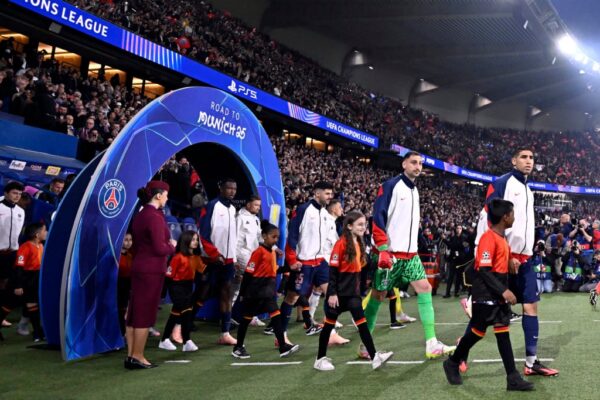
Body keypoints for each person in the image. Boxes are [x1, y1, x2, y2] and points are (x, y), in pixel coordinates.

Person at [471, 147, 558, 376]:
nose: (528, 161)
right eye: (523, 157)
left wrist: (533, 244)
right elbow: (488, 220)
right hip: (504, 260)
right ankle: (460, 354)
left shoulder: (528, 190)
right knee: (487, 314)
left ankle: (531, 363)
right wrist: (506, 255)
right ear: (513, 161)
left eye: (531, 158)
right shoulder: (501, 183)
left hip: (525, 260)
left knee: (530, 307)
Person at [362, 151, 455, 359]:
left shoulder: (415, 190)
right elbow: (377, 217)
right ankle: (364, 346)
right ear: (404, 164)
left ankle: (431, 343)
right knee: (378, 296)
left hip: (410, 255)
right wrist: (382, 248)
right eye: (413, 162)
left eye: (420, 163)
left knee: (425, 288)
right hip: (390, 254)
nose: (418, 166)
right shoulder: (390, 186)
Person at [443, 199, 534, 391]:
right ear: (505, 217)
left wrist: (511, 263)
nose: (514, 217)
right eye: (512, 214)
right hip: (485, 293)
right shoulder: (488, 238)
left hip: (496, 292)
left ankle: (512, 378)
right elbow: (484, 271)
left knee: (502, 333)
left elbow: (500, 262)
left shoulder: (502, 238)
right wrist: (504, 291)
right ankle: (452, 362)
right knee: (477, 332)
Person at [314, 212, 393, 371]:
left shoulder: (359, 243)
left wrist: (383, 262)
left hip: (353, 295)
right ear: (349, 226)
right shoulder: (340, 244)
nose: (363, 227)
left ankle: (374, 357)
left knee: (362, 325)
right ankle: (320, 359)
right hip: (338, 295)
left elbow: (365, 265)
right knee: (328, 326)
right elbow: (333, 271)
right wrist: (332, 293)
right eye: (360, 224)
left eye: (364, 224)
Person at [124, 180, 176, 370]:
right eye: (166, 195)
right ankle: (138, 356)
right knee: (144, 314)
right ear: (158, 195)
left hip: (140, 266)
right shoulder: (154, 216)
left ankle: (132, 355)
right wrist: (172, 246)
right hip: (151, 270)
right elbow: (160, 247)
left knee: (134, 313)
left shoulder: (141, 214)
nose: (167, 198)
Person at [232, 222, 300, 359]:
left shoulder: (272, 252)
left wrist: (290, 268)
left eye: (277, 237)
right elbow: (249, 273)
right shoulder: (258, 252)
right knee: (246, 320)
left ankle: (282, 346)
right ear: (264, 236)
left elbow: (274, 270)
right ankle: (238, 347)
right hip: (255, 292)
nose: (276, 240)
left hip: (267, 292)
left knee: (276, 316)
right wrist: (242, 294)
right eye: (273, 237)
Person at [281, 182, 335, 338]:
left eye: (331, 194)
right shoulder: (303, 210)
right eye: (327, 193)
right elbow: (292, 235)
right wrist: (292, 260)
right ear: (317, 193)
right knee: (292, 297)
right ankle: (281, 335)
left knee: (332, 294)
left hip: (321, 262)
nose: (330, 197)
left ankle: (331, 333)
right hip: (304, 263)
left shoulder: (325, 214)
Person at [199, 178, 238, 345]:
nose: (232, 191)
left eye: (234, 189)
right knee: (202, 294)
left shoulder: (233, 209)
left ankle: (225, 332)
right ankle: (179, 326)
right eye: (229, 188)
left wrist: (234, 257)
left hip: (228, 261)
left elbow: (233, 237)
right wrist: (214, 254)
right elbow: (203, 234)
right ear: (221, 188)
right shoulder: (212, 206)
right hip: (212, 259)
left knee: (226, 293)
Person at [159, 230, 205, 352]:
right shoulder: (178, 257)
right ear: (186, 240)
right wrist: (164, 292)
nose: (196, 242)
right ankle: (187, 341)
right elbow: (168, 276)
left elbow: (202, 271)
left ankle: (164, 339)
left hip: (188, 287)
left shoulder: (196, 257)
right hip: (176, 287)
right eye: (193, 239)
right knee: (187, 311)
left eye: (197, 239)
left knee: (175, 313)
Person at [0, 222, 47, 342]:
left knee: (33, 305)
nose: (46, 232)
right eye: (44, 230)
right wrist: (18, 285)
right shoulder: (25, 247)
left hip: (33, 280)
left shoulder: (41, 246)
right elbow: (19, 268)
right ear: (37, 235)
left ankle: (37, 332)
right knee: (8, 305)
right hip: (21, 280)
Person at [233, 195, 265, 326]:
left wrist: (273, 245)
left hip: (253, 256)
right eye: (256, 205)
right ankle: (232, 316)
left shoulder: (256, 219)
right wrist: (234, 259)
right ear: (248, 205)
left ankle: (247, 315)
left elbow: (260, 237)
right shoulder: (239, 218)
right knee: (246, 285)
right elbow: (234, 239)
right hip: (242, 255)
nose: (258, 208)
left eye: (259, 205)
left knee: (242, 286)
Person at [0, 182, 25, 335]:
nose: (17, 196)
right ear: (6, 193)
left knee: (7, 286)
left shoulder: (21, 211)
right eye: (14, 193)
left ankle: (1, 316)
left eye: (20, 194)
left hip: (12, 254)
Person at [117, 233, 133, 336]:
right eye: (126, 240)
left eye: (130, 240)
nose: (128, 242)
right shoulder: (116, 256)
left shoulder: (130, 256)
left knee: (124, 310)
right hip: (118, 286)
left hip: (127, 286)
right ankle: (121, 332)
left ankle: (123, 332)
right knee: (119, 310)